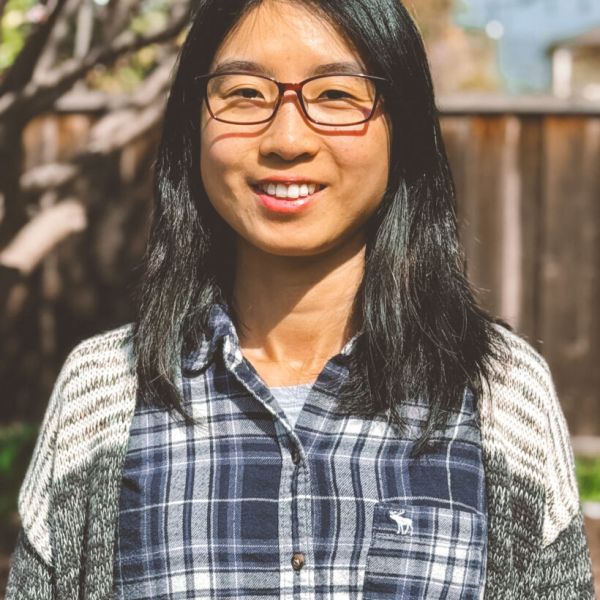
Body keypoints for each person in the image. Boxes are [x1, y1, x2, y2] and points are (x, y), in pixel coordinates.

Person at [5, 0, 595, 598]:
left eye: (337, 95)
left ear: (405, 126)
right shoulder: (103, 390)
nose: (287, 139)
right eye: (244, 94)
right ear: (193, 123)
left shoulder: (499, 391)